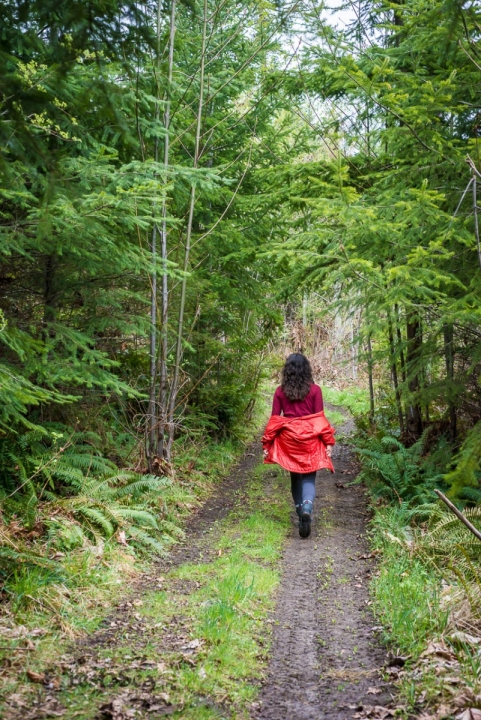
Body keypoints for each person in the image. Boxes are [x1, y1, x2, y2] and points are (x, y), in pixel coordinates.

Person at [262, 353, 335, 538]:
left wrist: (267, 443)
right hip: (310, 438)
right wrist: (328, 442)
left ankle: (300, 511)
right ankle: (307, 508)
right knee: (309, 475)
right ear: (306, 370)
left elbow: (274, 420)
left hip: (289, 440)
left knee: (295, 476)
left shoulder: (280, 392)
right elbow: (319, 420)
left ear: (287, 371)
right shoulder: (315, 391)